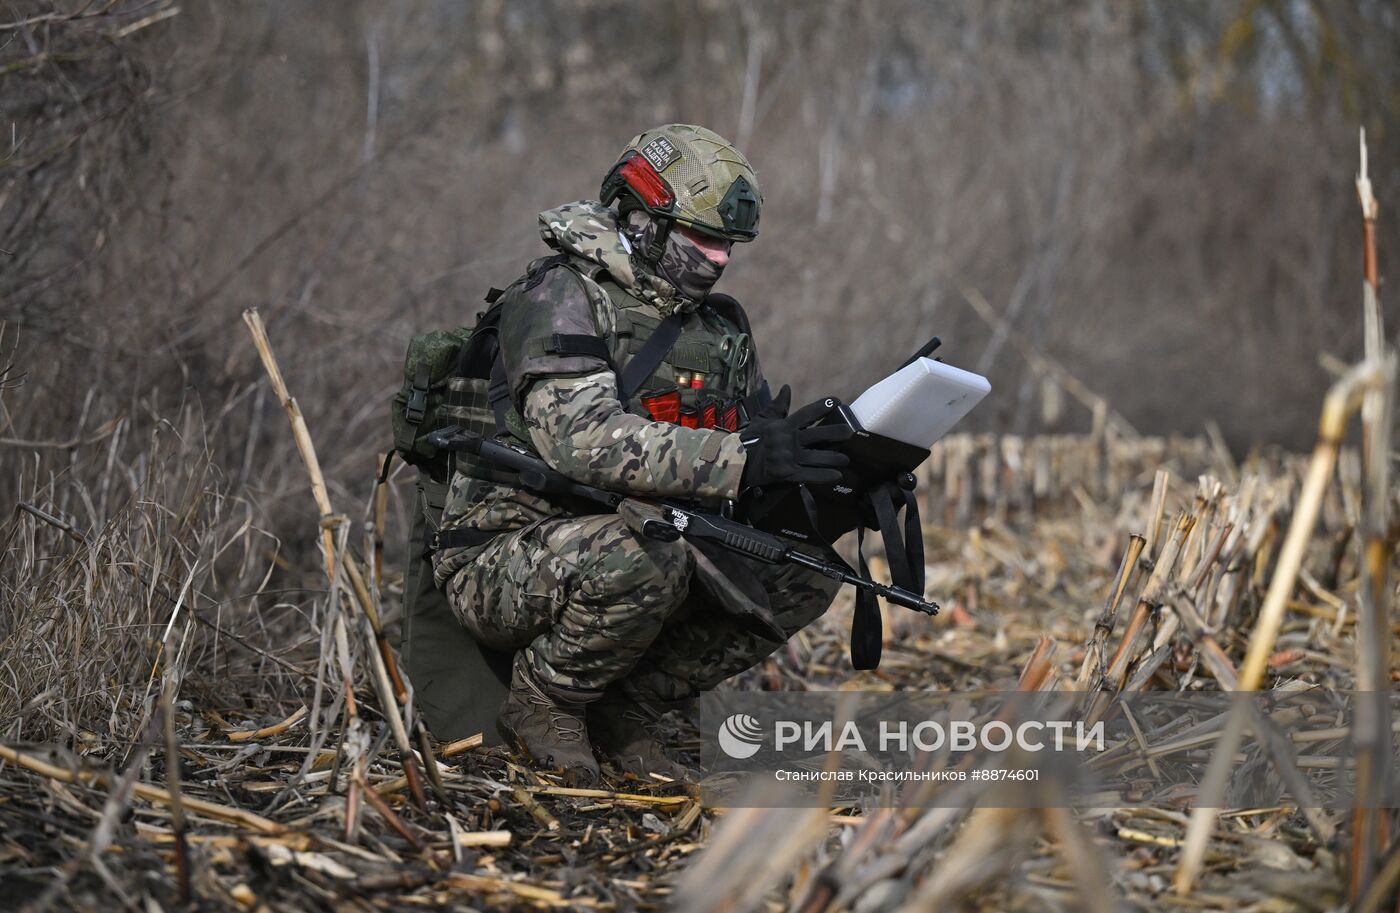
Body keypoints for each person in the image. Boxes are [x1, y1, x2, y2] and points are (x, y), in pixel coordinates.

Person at [432, 124, 851, 786]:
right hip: (505, 550)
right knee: (643, 552)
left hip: (654, 535)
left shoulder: (717, 329)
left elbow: (738, 448)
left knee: (805, 571)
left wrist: (828, 469)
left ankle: (631, 704)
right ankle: (548, 700)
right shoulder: (558, 297)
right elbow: (584, 441)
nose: (717, 260)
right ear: (642, 218)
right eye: (702, 240)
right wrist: (741, 457)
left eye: (729, 247)